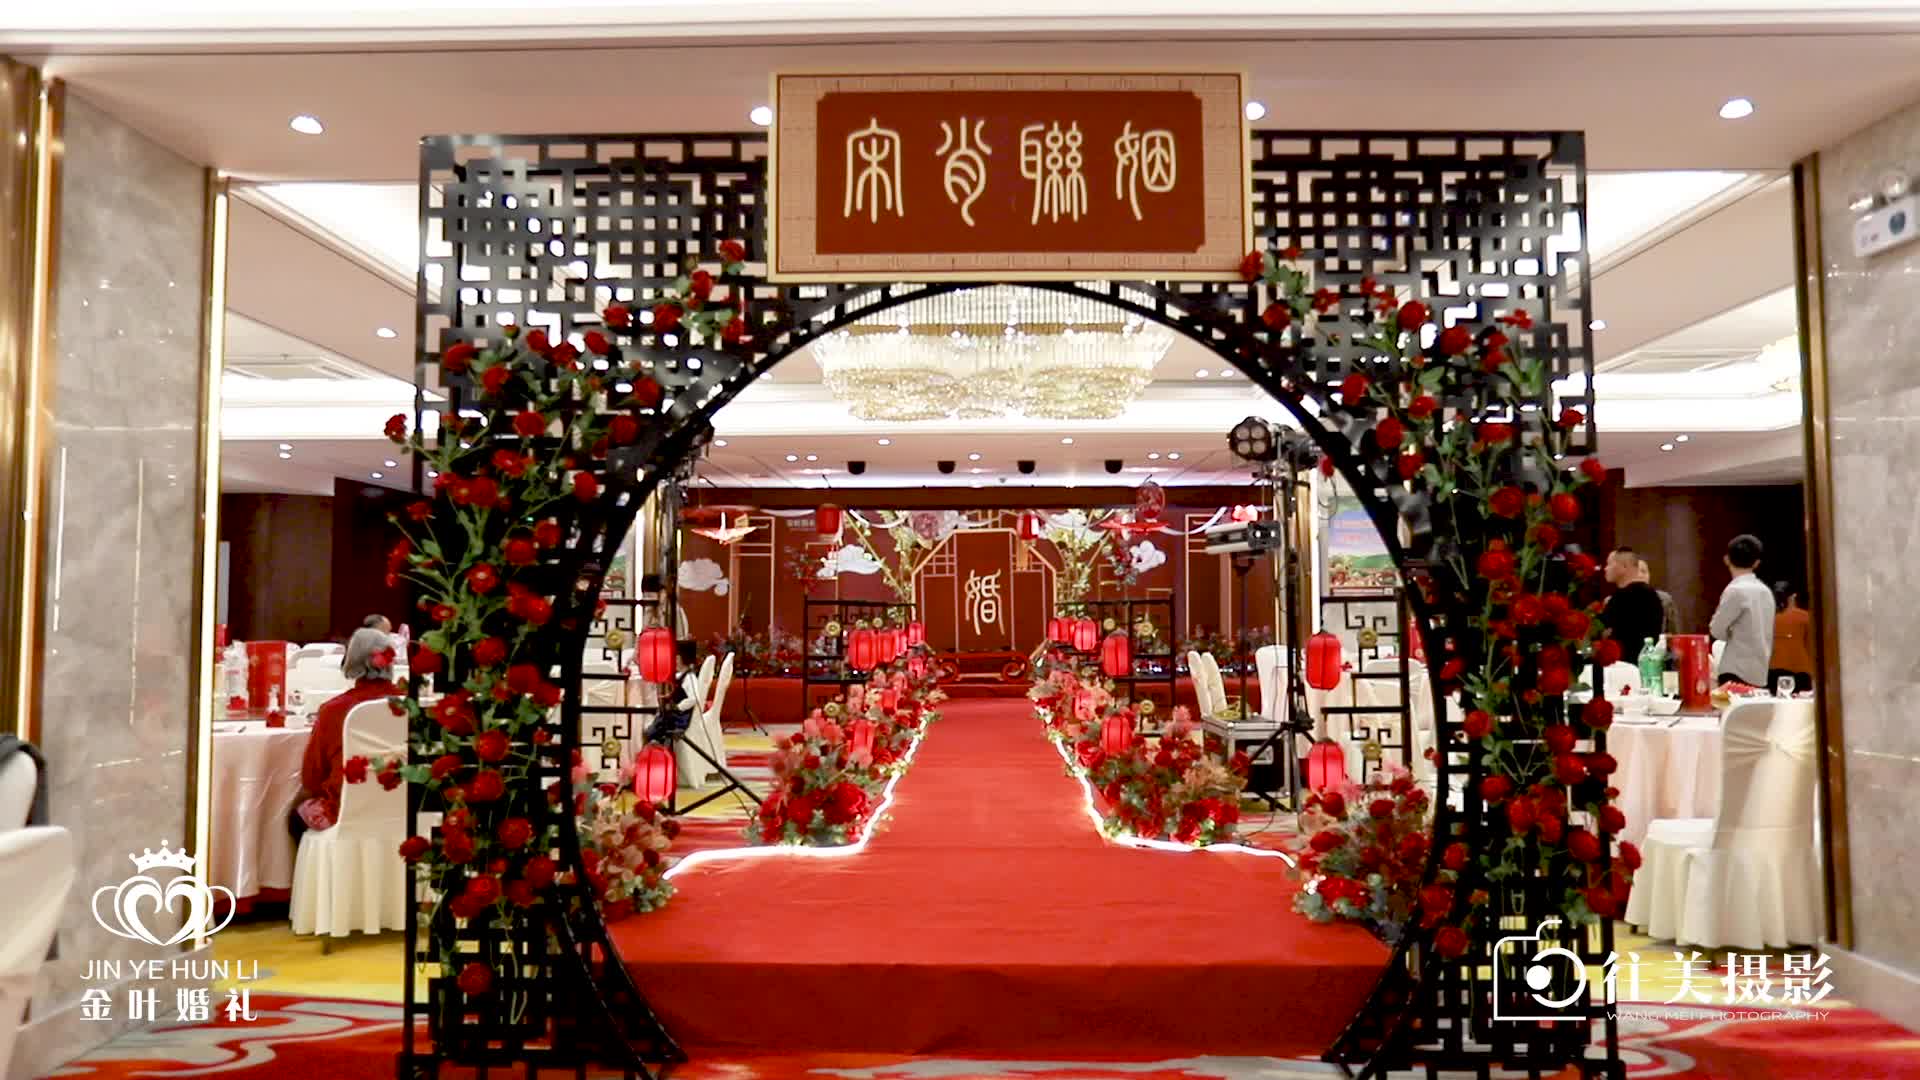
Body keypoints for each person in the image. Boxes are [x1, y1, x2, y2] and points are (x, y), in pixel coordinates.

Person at [293, 627, 397, 836]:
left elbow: (312, 778)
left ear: (350, 661)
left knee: (294, 818)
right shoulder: (408, 706)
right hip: (400, 807)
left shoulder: (334, 710)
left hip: (345, 811)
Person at [1708, 534, 1775, 687]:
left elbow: (1716, 630)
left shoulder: (1735, 590)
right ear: (1756, 563)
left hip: (1735, 670)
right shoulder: (1766, 591)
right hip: (1760, 670)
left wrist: (1731, 633)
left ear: (1727, 559)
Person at [1600, 546, 1665, 663]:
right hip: (1643, 664)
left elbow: (1606, 631)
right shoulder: (1651, 595)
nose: (1605, 569)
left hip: (1626, 666)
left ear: (1624, 566)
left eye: (1610, 564)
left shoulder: (1625, 598)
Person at [1769, 582, 1814, 693]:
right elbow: (1812, 647)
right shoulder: (1805, 617)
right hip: (1800, 673)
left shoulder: (1767, 617)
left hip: (1771, 673)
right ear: (1794, 596)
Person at [1637, 556, 1680, 636]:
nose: (1640, 575)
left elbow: (1674, 634)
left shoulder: (1665, 599)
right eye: (1635, 572)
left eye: (1643, 571)